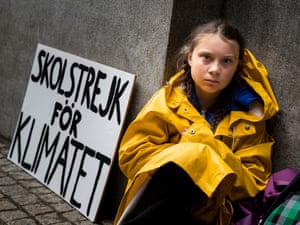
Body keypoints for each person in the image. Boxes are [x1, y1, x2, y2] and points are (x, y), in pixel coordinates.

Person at [113, 19, 279, 225]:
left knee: (198, 155)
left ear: (238, 65)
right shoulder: (168, 100)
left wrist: (207, 151)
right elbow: (131, 155)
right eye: (206, 58)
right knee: (191, 158)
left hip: (210, 210)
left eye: (226, 61)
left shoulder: (249, 118)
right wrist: (188, 156)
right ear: (190, 57)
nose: (215, 69)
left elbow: (254, 182)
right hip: (155, 200)